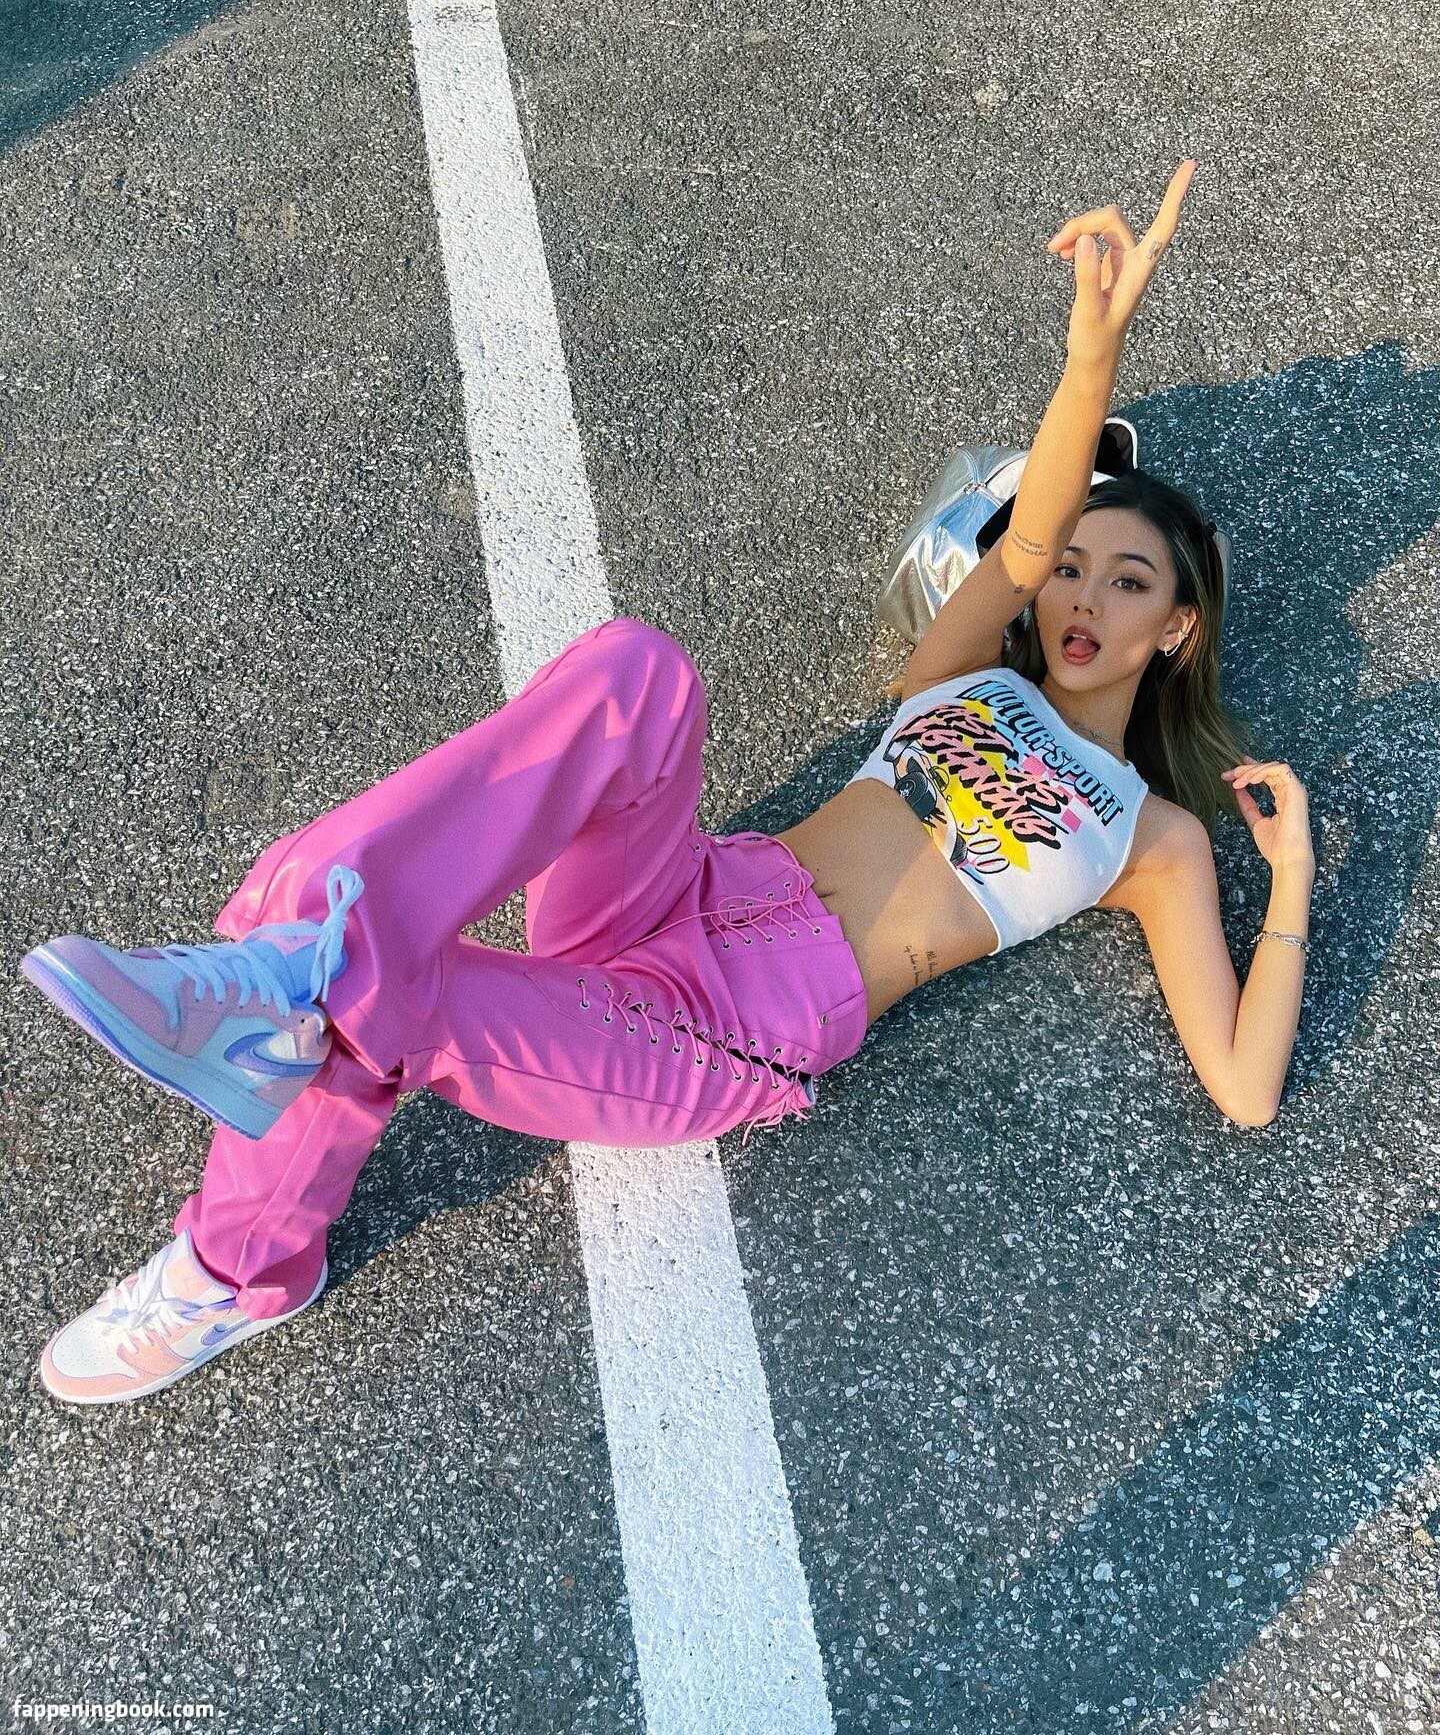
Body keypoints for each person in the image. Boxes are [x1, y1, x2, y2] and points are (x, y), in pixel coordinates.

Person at [23, 159, 1315, 1406]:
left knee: (375, 1000)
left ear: (1178, 626)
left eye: (1129, 582)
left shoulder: (1152, 835)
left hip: (732, 1023)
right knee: (639, 672)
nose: (1085, 597)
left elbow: (1247, 1088)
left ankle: (238, 1260)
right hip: (693, 887)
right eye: (1077, 570)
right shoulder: (971, 676)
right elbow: (1026, 538)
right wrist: (1092, 359)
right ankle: (288, 959)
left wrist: (1294, 876)